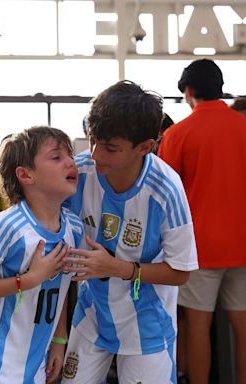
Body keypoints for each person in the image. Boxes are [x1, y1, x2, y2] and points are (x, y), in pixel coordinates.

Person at [62, 81, 198, 384]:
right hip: (92, 315)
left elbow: (180, 271)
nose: (96, 154)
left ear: (145, 147)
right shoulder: (78, 173)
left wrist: (117, 268)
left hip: (147, 326)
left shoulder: (165, 190)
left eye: (111, 148)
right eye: (92, 139)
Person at [0, 126, 84, 384]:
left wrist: (59, 341)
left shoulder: (74, 227)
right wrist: (29, 279)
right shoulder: (8, 226)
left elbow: (59, 289)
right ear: (25, 175)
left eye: (70, 155)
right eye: (56, 157)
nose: (71, 162)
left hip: (35, 360)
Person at [158, 59, 246, 384]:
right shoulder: (242, 127)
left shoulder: (179, 133)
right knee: (243, 326)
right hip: (243, 244)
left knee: (198, 327)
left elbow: (164, 196)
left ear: (189, 92)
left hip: (199, 248)